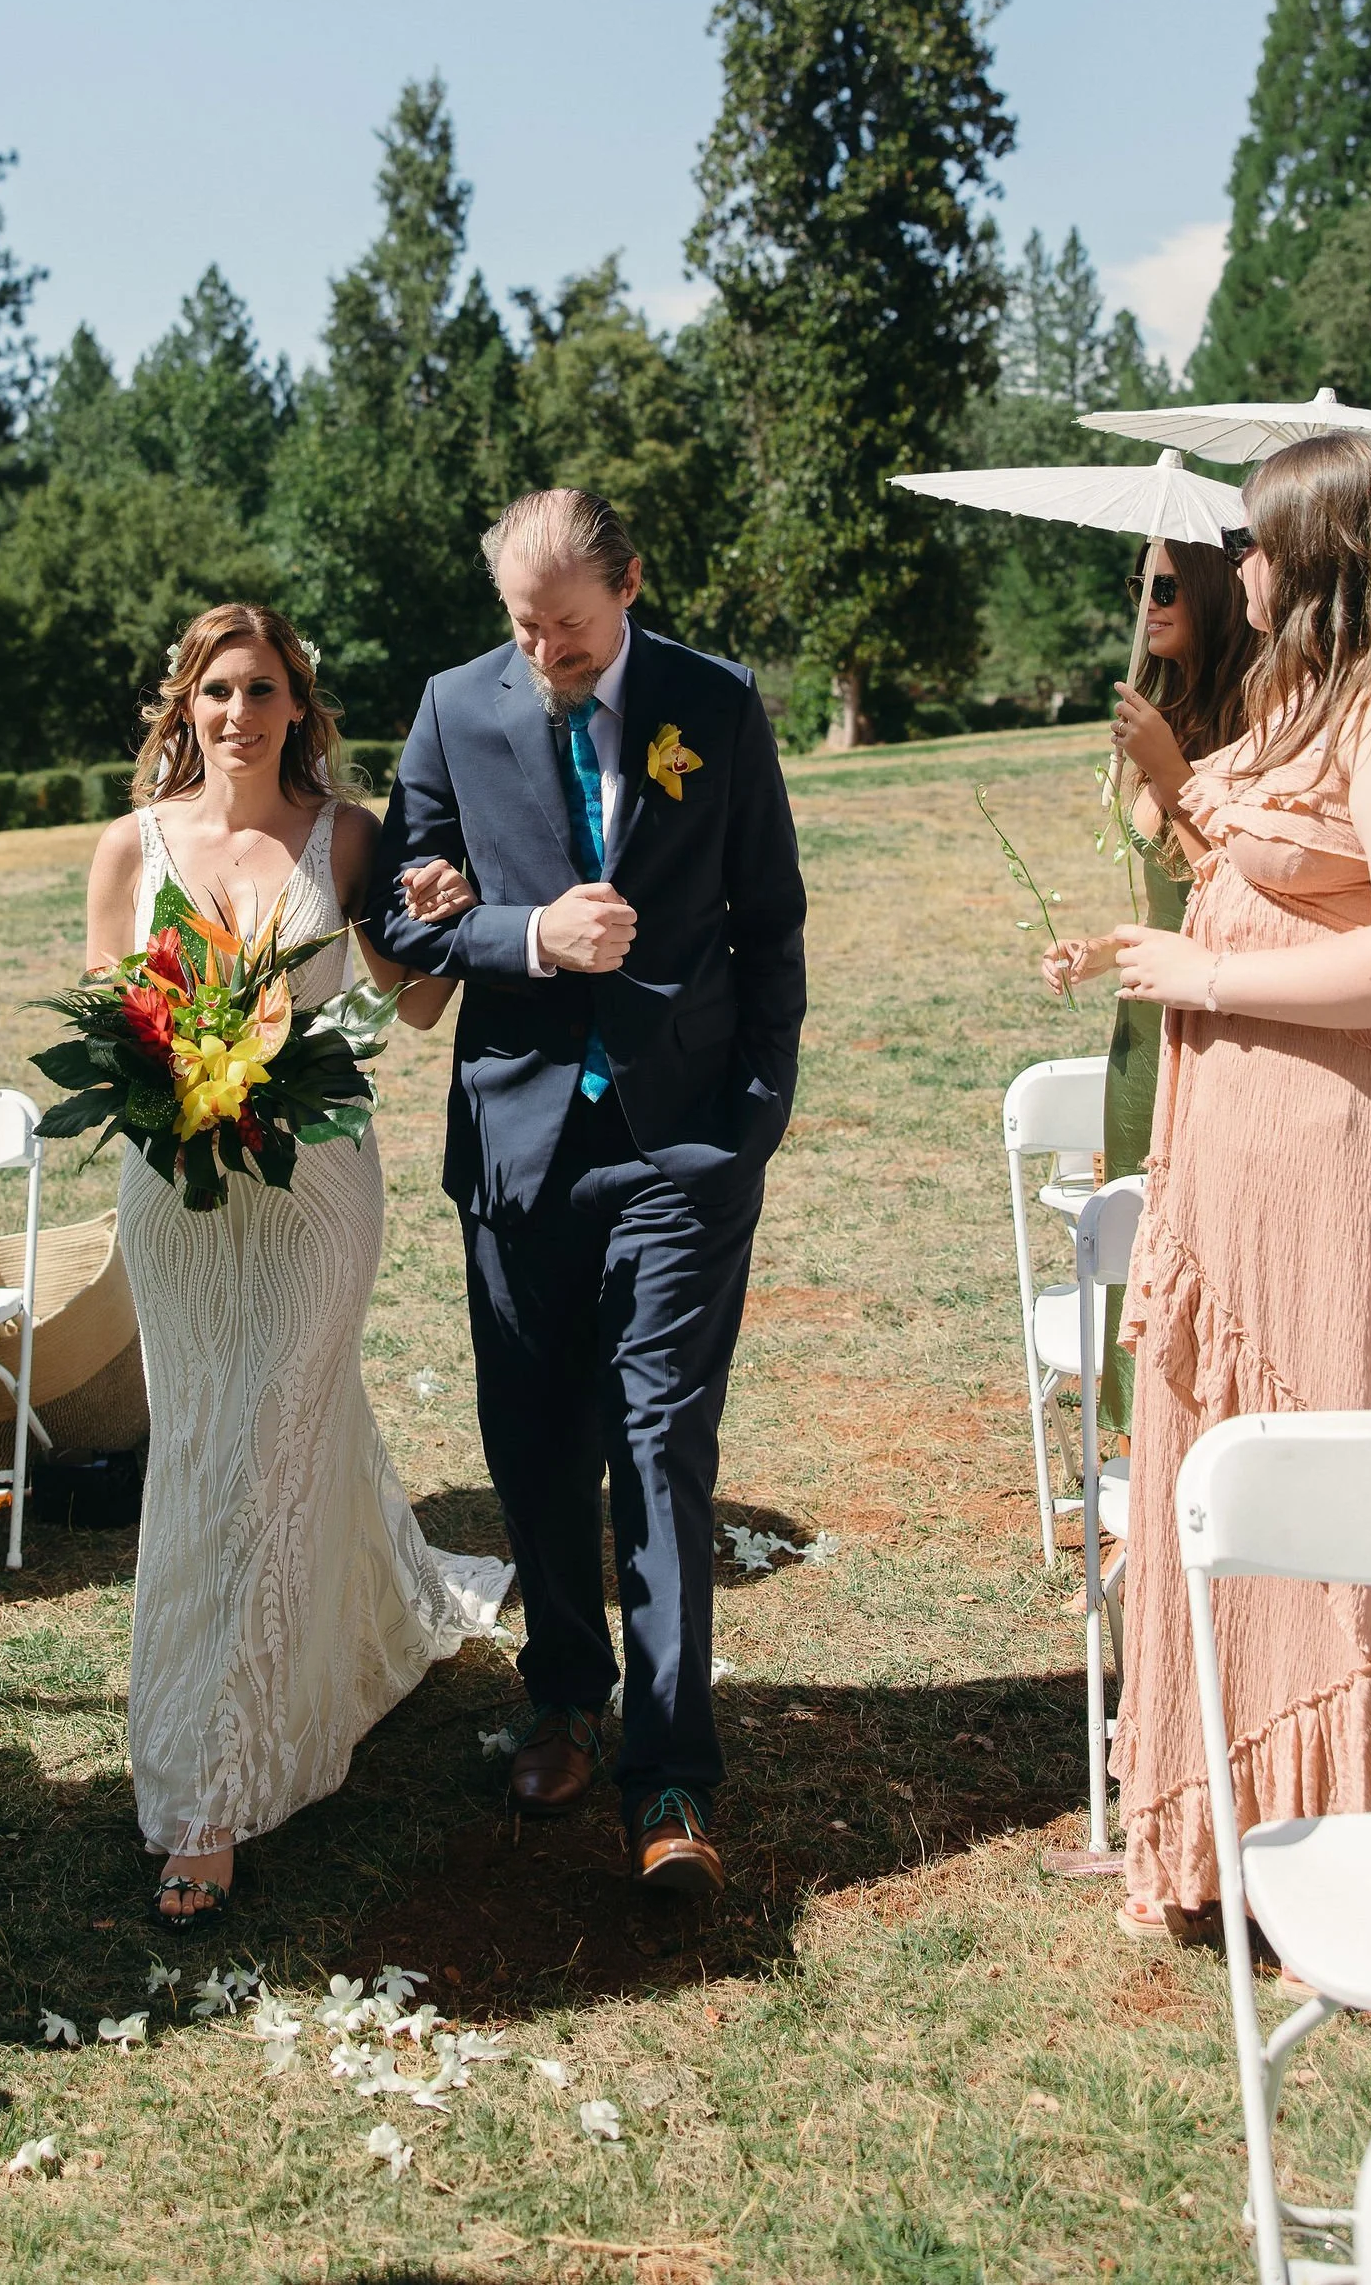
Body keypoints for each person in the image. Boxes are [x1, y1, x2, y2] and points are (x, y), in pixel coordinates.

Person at [373, 488, 808, 1898]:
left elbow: (772, 916)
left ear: (630, 582)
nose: (542, 650)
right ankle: (565, 1695)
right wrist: (526, 934)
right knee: (535, 1438)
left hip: (684, 1141)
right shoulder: (452, 707)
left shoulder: (717, 704)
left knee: (664, 1441)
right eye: (521, 623)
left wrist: (753, 1114)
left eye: (564, 624)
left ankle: (671, 1772)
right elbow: (403, 910)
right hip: (518, 1140)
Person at [82, 604, 500, 1922]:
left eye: (262, 689)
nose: (239, 714)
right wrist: (179, 1071)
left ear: (297, 706)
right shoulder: (126, 846)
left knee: (267, 1440)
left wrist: (454, 905)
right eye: (217, 691)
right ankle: (356, 1636)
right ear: (184, 706)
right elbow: (112, 1024)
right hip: (178, 1191)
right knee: (207, 1445)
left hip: (316, 1182)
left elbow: (415, 996)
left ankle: (209, 1789)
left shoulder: (348, 833)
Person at [1109, 432, 1371, 1938]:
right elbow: (1259, 873)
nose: (1232, 567)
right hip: (1242, 1168)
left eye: (1255, 545)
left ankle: (1354, 1814)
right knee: (1231, 1461)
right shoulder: (1304, 702)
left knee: (1318, 1466)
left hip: (1345, 1167)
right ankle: (1232, 1821)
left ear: (1324, 559)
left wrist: (1207, 974)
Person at [1040, 537, 1257, 1432]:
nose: (1147, 601)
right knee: (1137, 1237)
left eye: (1166, 584)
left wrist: (1171, 774)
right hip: (1142, 1031)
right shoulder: (1165, 708)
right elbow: (1169, 899)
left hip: (1221, 1019)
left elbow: (1244, 897)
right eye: (1139, 584)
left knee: (1208, 1247)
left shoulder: (1260, 718)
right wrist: (1096, 949)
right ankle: (1141, 1460)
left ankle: (1213, 1458)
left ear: (1213, 587)